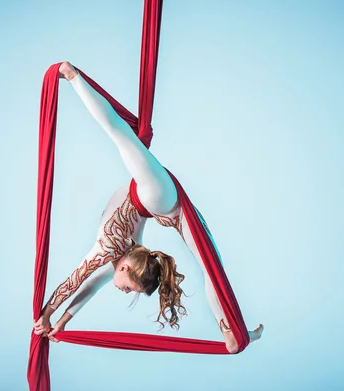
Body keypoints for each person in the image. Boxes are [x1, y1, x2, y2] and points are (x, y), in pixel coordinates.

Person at [33, 62, 263, 353]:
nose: (123, 291)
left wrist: (60, 317)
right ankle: (73, 76)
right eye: (130, 288)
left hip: (163, 205)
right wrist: (49, 314)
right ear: (127, 267)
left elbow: (90, 283)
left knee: (211, 265)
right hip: (157, 196)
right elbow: (78, 279)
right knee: (120, 136)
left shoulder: (123, 253)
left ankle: (232, 333)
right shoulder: (110, 248)